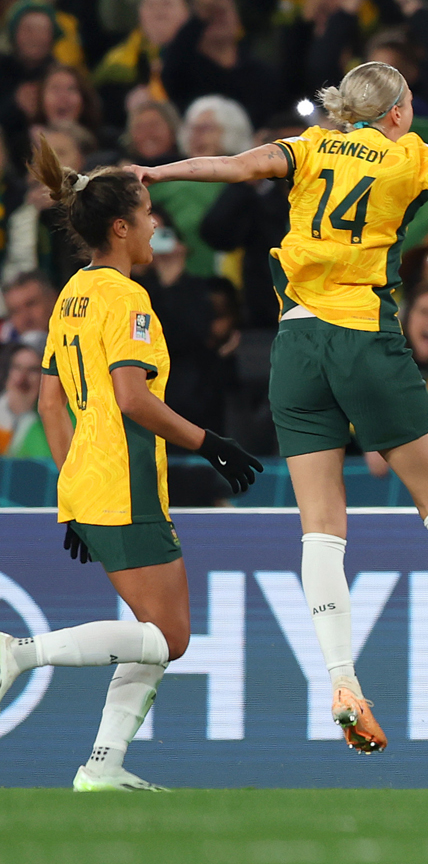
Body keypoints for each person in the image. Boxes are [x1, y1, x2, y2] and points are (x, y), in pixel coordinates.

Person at [133, 61, 428, 753]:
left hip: (294, 346)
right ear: (394, 113)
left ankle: (342, 682)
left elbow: (232, 167)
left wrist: (157, 173)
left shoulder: (308, 146)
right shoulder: (408, 156)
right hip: (363, 338)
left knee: (320, 528)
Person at [0, 136, 259, 791]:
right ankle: (22, 652)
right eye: (147, 216)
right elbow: (131, 397)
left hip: (91, 481)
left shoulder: (74, 294)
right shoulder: (126, 300)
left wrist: (73, 493)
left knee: (154, 634)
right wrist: (210, 443)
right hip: (128, 479)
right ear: (121, 227)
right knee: (170, 639)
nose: (155, 227)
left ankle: (104, 766)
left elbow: (50, 401)